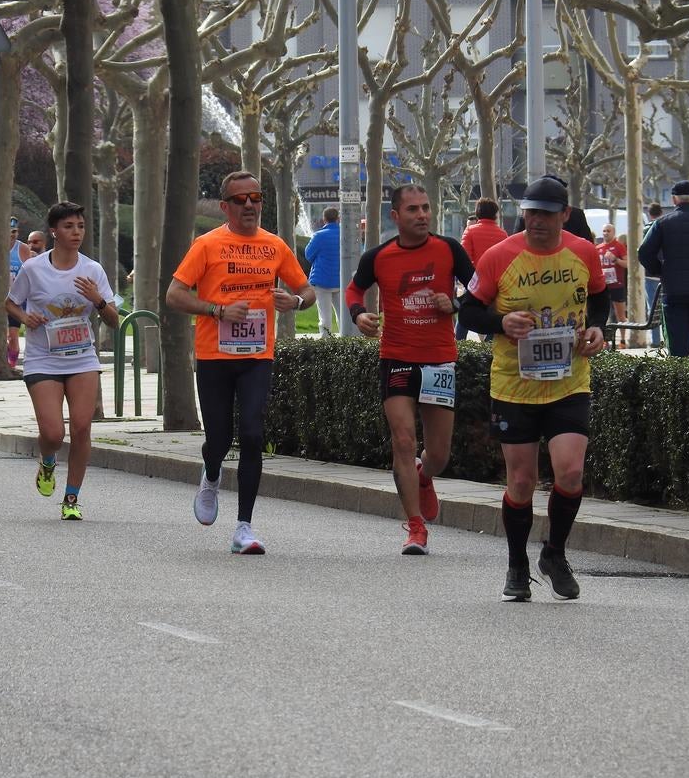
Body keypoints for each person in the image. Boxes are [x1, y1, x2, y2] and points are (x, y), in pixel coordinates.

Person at [458, 175, 609, 602]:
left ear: (564, 214)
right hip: (514, 385)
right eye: (531, 212)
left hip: (570, 379)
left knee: (571, 472)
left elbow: (599, 295)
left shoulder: (583, 251)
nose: (537, 220)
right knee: (521, 482)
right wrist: (501, 323)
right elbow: (468, 311)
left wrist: (598, 327)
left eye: (546, 212)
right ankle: (517, 564)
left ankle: (555, 553)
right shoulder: (498, 256)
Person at [166, 171, 314, 554]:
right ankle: (211, 475)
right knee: (219, 437)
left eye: (256, 197)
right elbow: (175, 295)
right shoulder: (207, 245)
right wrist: (217, 309)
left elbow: (307, 291)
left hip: (256, 356)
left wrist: (296, 302)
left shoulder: (275, 246)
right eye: (241, 199)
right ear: (225, 207)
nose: (250, 205)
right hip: (214, 355)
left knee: (251, 432)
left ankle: (244, 528)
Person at [345, 184, 475, 555]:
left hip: (438, 359)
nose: (422, 215)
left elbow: (480, 288)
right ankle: (415, 527)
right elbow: (354, 291)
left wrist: (453, 302)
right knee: (402, 441)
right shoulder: (379, 256)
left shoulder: (448, 249)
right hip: (397, 357)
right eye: (414, 209)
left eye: (426, 208)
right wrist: (359, 315)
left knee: (438, 453)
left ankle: (425, 476)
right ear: (395, 216)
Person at [7, 201, 118, 521]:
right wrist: (26, 317)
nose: (76, 232)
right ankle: (48, 461)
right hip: (43, 359)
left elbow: (113, 319)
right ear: (54, 231)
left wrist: (97, 299)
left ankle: (71, 498)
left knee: (82, 427)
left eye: (80, 226)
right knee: (54, 434)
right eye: (69, 227)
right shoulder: (34, 269)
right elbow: (10, 304)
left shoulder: (92, 270)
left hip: (82, 357)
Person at [638, 180, 689, 357]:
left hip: (674, 291)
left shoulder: (662, 223)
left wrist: (659, 270)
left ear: (674, 200)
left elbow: (644, 252)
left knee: (677, 343)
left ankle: (679, 376)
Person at [457, 198, 507, 341]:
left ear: (478, 213)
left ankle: (459, 344)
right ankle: (488, 344)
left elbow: (464, 258)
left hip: (475, 281)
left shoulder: (470, 231)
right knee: (494, 313)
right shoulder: (502, 234)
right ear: (495, 214)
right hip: (497, 282)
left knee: (466, 312)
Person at [304, 207, 341, 338]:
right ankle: (346, 340)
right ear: (338, 218)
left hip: (321, 282)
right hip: (341, 281)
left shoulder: (318, 236)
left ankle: (326, 342)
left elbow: (308, 255)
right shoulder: (346, 235)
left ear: (324, 219)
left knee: (324, 317)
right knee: (342, 315)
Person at [596, 222, 629, 347]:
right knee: (603, 315)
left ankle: (623, 340)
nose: (605, 233)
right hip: (603, 286)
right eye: (604, 231)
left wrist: (615, 259)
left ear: (614, 232)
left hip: (617, 285)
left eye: (608, 231)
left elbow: (627, 264)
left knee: (620, 315)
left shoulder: (619, 246)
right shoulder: (598, 248)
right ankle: (605, 341)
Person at [7, 218, 33, 368]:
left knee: (13, 336)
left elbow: (30, 271)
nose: (12, 235)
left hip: (16, 299)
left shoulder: (22, 249)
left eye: (15, 232)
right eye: (9, 231)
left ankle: (12, 365)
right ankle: (4, 361)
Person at [643, 202, 664, 346]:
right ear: (661, 212)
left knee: (652, 309)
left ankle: (656, 342)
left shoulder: (646, 229)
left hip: (651, 275)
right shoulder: (666, 226)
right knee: (667, 308)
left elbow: (644, 252)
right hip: (665, 274)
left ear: (649, 214)